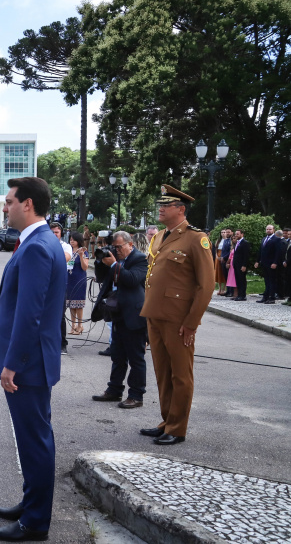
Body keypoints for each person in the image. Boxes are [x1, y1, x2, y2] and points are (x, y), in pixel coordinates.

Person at [0, 177, 66, 542]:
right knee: (33, 438)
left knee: (34, 441)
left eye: (9, 201)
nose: (5, 207)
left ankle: (35, 521)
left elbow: (30, 313)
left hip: (28, 364)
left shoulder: (36, 246)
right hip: (36, 360)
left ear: (28, 204)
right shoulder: (42, 240)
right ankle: (31, 502)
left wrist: (12, 363)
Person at [139, 184, 215, 445]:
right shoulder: (159, 236)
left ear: (180, 210)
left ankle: (177, 428)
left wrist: (192, 323)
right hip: (155, 314)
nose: (160, 208)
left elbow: (206, 285)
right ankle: (166, 421)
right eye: (160, 204)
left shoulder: (196, 238)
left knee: (180, 375)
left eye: (166, 205)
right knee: (163, 372)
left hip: (178, 319)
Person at [92, 231, 148, 409]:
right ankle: (114, 390)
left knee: (136, 358)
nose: (117, 250)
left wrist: (115, 264)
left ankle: (136, 396)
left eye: (119, 247)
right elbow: (102, 278)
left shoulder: (139, 259)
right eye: (114, 247)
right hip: (117, 313)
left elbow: (132, 280)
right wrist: (101, 262)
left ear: (130, 244)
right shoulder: (114, 258)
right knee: (117, 356)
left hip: (134, 315)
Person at [50, 222, 73, 355]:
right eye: (52, 232)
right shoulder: (45, 244)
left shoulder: (65, 246)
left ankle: (62, 344)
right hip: (46, 283)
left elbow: (66, 258)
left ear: (61, 234)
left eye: (56, 232)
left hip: (59, 284)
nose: (54, 235)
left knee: (60, 315)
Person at [66, 232, 90, 335]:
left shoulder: (84, 251)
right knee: (71, 304)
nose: (72, 241)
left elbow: (85, 267)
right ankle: (73, 325)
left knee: (78, 304)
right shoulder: (68, 251)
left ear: (78, 241)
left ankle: (80, 326)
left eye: (74, 240)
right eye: (70, 239)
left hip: (79, 279)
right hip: (69, 279)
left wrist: (81, 256)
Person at [254, 224, 280, 304]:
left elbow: (278, 252)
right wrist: (257, 261)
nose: (268, 230)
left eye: (270, 229)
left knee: (272, 281)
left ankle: (271, 298)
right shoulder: (264, 239)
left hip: (271, 263)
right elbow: (261, 251)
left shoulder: (276, 239)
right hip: (264, 263)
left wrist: (275, 262)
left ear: (273, 230)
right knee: (266, 281)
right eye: (267, 229)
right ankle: (265, 297)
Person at [231, 229, 250, 301]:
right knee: (238, 280)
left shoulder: (245, 243)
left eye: (238, 234)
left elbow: (246, 255)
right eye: (235, 234)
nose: (236, 235)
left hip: (241, 265)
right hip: (236, 264)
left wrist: (244, 265)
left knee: (242, 280)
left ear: (242, 234)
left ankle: (243, 295)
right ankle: (239, 294)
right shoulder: (237, 242)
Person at [216, 228, 233, 296]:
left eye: (226, 232)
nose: (225, 233)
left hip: (226, 258)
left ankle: (227, 289)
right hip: (221, 258)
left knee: (228, 275)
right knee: (223, 274)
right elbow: (218, 249)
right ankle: (226, 290)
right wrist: (218, 257)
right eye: (222, 232)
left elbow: (230, 251)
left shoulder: (230, 240)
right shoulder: (222, 240)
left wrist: (224, 257)